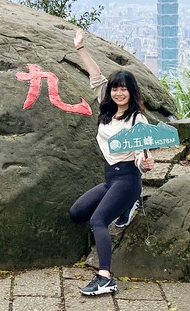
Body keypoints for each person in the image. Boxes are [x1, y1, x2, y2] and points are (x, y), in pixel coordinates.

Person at [69, 29, 155, 296]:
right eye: (116, 89)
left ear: (132, 92)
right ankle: (126, 207)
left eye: (124, 89)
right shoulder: (107, 111)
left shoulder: (137, 120)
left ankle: (105, 277)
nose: (119, 93)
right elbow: (95, 76)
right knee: (77, 213)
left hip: (128, 179)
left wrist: (145, 162)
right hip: (110, 179)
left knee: (97, 220)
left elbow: (142, 152)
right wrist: (80, 49)